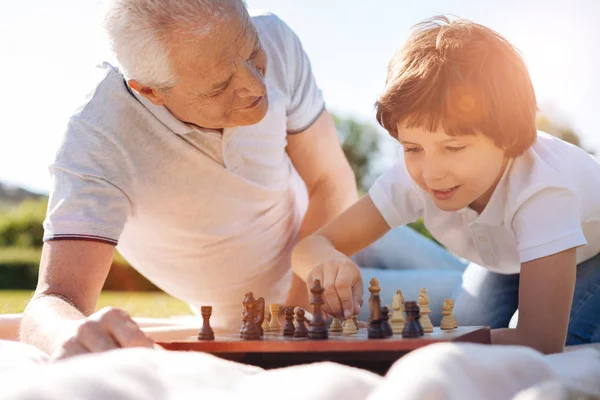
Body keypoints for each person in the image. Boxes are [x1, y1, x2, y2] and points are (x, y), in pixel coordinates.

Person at [20, 0, 362, 359]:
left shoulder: (276, 38)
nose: (257, 84)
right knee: (428, 295)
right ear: (149, 91)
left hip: (333, 231)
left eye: (252, 50)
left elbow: (330, 180)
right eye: (219, 87)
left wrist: (295, 315)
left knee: (426, 255)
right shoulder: (97, 139)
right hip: (258, 306)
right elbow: (54, 298)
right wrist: (65, 333)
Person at [292, 16, 600, 353]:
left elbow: (539, 340)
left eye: (454, 148)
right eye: (412, 148)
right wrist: (325, 263)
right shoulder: (415, 174)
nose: (431, 174)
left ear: (508, 139)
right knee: (469, 318)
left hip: (591, 257)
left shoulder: (544, 193)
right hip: (507, 262)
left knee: (548, 347)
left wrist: (412, 340)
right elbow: (309, 246)